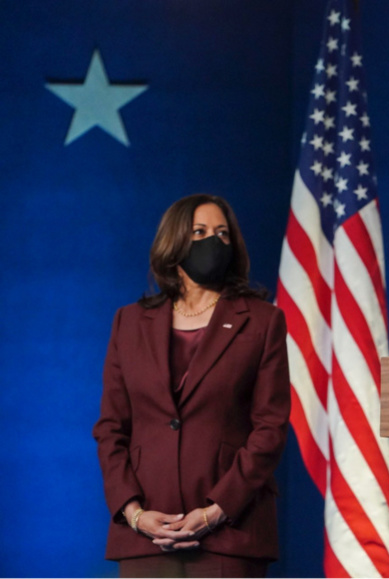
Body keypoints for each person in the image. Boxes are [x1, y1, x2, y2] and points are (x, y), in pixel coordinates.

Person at [93, 194, 291, 578]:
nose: (212, 242)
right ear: (174, 242)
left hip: (230, 535)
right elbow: (111, 428)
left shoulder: (264, 321)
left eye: (222, 233)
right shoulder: (129, 322)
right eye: (199, 232)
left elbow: (270, 428)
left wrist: (217, 510)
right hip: (145, 537)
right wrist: (134, 514)